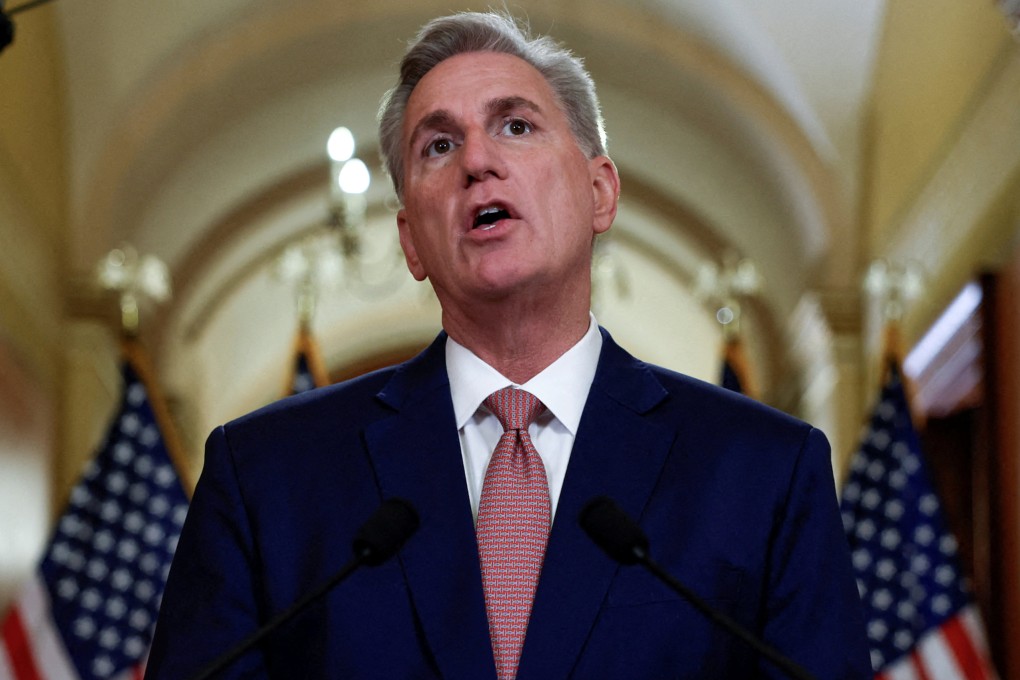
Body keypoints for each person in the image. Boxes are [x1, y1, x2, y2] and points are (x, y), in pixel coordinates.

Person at [147, 11, 870, 679]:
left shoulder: (764, 473)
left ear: (600, 193)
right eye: (438, 144)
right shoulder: (266, 478)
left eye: (516, 127)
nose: (477, 161)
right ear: (410, 242)